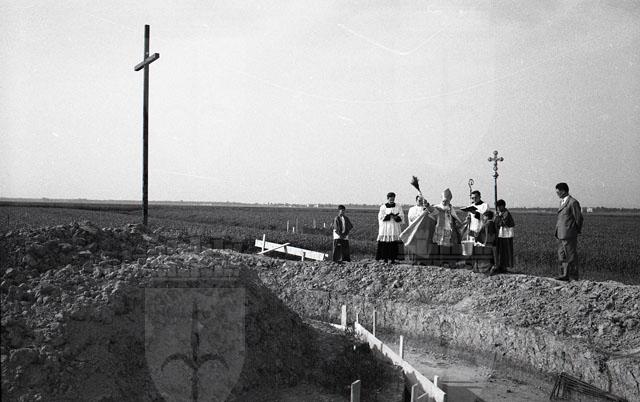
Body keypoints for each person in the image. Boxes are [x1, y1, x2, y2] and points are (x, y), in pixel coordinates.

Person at [554, 182, 584, 281]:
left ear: (563, 191)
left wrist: (574, 230)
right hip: (560, 234)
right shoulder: (562, 202)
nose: (557, 194)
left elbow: (578, 218)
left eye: (558, 192)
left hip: (569, 234)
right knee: (561, 256)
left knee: (571, 256)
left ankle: (573, 276)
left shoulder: (573, 202)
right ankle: (564, 275)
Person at [376, 192, 405, 263]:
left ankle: (393, 259)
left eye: (393, 199)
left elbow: (401, 215)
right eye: (390, 199)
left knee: (394, 243)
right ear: (387, 198)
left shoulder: (398, 206)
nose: (392, 200)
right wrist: (388, 216)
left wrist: (395, 216)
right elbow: (380, 217)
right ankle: (385, 258)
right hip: (385, 227)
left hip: (394, 227)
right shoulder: (383, 207)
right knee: (385, 243)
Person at [494, 199, 515, 272]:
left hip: (506, 234)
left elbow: (503, 223)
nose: (498, 208)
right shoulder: (500, 213)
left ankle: (504, 266)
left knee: (506, 250)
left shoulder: (506, 213)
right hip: (501, 234)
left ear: (503, 206)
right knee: (500, 250)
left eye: (499, 206)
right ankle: (500, 265)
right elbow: (496, 223)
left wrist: (499, 217)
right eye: (497, 207)